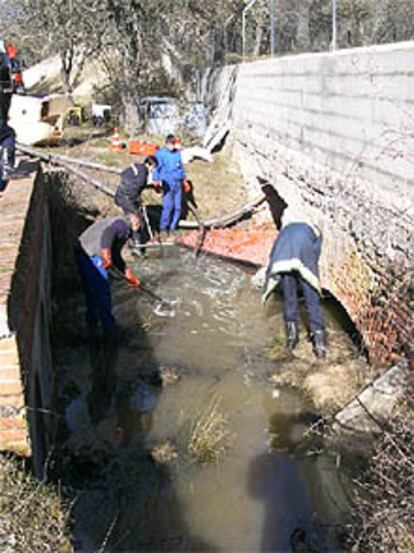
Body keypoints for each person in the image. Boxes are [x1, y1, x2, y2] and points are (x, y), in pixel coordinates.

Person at [262, 220, 326, 359]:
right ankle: (319, 346)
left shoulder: (284, 232)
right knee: (312, 300)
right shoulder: (315, 234)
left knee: (289, 298)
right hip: (303, 253)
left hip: (283, 259)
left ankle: (292, 339)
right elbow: (313, 258)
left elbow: (273, 255)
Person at [75, 217, 140, 335]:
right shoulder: (123, 225)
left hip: (82, 251)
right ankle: (110, 329)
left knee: (91, 292)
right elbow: (107, 234)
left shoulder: (118, 224)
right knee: (102, 290)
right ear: (135, 225)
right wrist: (106, 255)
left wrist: (129, 275)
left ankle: (92, 326)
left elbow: (115, 255)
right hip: (92, 254)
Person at [114, 156, 158, 256]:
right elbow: (134, 189)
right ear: (148, 164)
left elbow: (124, 174)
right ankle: (136, 247)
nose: (153, 170)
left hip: (121, 195)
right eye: (153, 167)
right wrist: (139, 200)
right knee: (137, 220)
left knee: (133, 219)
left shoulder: (137, 166)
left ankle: (132, 242)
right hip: (126, 198)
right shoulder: (143, 174)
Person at [153, 134, 187, 237]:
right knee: (168, 207)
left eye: (175, 144)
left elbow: (180, 166)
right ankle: (163, 228)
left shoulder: (177, 154)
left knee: (178, 207)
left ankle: (173, 227)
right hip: (167, 183)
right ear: (167, 144)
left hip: (177, 183)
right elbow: (156, 168)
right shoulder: (161, 154)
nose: (174, 147)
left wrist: (184, 179)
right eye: (172, 144)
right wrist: (156, 180)